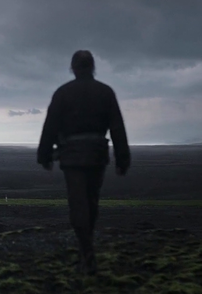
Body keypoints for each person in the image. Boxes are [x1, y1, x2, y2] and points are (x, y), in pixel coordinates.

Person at [37, 50, 131, 275]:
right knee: (91, 202)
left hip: (72, 158)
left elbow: (50, 126)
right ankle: (87, 253)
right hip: (97, 155)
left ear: (73, 68)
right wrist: (123, 158)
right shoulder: (105, 92)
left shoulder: (63, 93)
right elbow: (117, 127)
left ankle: (86, 253)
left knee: (78, 204)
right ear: (93, 67)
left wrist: (45, 156)